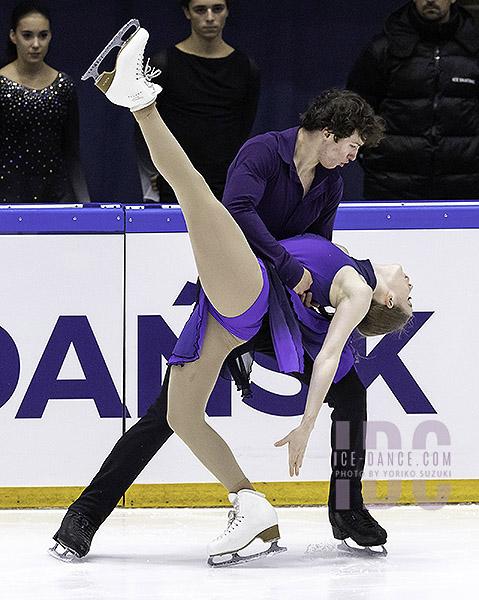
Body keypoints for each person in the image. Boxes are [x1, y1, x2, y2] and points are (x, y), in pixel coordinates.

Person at [50, 24, 412, 564]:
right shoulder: (261, 154)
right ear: (332, 132)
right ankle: (85, 516)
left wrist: (313, 287)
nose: (354, 159)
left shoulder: (331, 183)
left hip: (279, 316)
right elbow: (238, 216)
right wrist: (289, 268)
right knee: (167, 413)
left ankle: (344, 505)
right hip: (244, 284)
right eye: (353, 147)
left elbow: (319, 244)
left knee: (350, 389)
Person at [347, 0, 479, 200]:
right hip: (390, 183)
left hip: (465, 184)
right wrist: (370, 155)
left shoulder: (474, 49)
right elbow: (356, 109)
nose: (430, 0)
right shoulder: (384, 48)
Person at [135, 0, 260, 202]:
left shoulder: (246, 68)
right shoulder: (162, 64)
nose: (210, 17)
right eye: (200, 10)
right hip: (176, 183)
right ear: (187, 12)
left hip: (228, 184)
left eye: (217, 9)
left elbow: (244, 127)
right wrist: (154, 172)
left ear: (227, 11)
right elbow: (144, 127)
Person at [0, 1, 89, 204]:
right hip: (7, 194)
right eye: (27, 35)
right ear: (13, 36)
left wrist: (83, 203)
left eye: (43, 35)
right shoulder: (2, 84)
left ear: (50, 36)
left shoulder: (64, 85)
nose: (36, 44)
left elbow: (72, 153)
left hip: (56, 194)